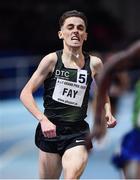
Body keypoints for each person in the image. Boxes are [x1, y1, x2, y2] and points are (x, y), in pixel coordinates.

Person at [20, 10, 116, 179]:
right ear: (61, 34)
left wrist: (108, 111)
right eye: (70, 27)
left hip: (77, 132)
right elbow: (25, 93)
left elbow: (103, 91)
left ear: (85, 35)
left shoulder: (94, 63)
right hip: (51, 132)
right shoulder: (51, 60)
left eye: (80, 28)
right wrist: (43, 120)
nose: (75, 31)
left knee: (71, 176)